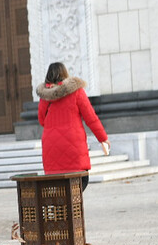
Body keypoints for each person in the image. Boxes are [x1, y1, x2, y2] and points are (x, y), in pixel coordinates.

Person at [36, 62, 110, 191]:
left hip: (51, 145)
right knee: (80, 183)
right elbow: (90, 118)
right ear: (65, 74)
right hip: (73, 145)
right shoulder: (77, 92)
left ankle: (63, 210)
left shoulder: (45, 97)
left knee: (59, 189)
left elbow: (42, 120)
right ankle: (72, 210)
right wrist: (102, 138)